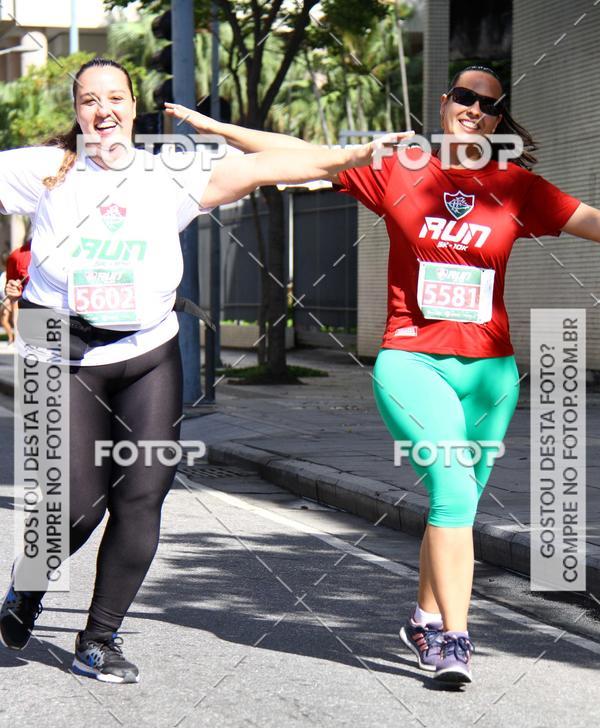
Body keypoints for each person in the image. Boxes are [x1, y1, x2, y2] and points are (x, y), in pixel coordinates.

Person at [166, 64, 600, 685]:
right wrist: (214, 126)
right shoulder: (404, 165)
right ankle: (454, 638)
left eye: (488, 104)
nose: (473, 109)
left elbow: (593, 223)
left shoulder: (516, 186)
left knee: (457, 507)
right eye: (464, 97)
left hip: (492, 375)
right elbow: (303, 157)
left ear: (498, 118)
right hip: (412, 358)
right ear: (445, 102)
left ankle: (424, 617)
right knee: (451, 491)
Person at [0, 56, 402, 683]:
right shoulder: (49, 169)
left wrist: (350, 158)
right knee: (75, 508)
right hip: (57, 346)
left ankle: (99, 639)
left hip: (147, 348)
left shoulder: (169, 173)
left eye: (116, 97)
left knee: (142, 496)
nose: (103, 110)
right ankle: (28, 585)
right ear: (76, 113)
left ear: (133, 107)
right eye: (88, 100)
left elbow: (266, 167)